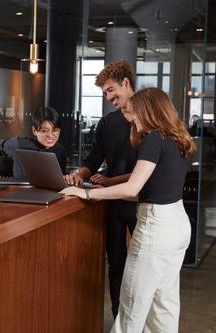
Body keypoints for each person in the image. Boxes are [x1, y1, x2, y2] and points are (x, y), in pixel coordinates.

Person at [62, 87, 195, 332]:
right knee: (163, 306)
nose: (131, 118)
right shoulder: (178, 138)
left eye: (135, 113)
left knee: (131, 311)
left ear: (149, 111)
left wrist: (86, 193)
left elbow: (131, 190)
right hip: (177, 225)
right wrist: (110, 185)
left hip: (156, 231)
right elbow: (154, 191)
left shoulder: (154, 138)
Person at [65, 60, 138, 318]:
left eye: (110, 90)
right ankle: (120, 319)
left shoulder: (149, 119)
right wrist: (79, 176)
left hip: (141, 202)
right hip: (113, 203)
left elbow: (146, 172)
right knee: (115, 264)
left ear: (126, 83)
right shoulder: (107, 123)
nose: (108, 97)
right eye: (105, 93)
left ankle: (138, 321)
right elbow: (94, 158)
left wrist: (109, 181)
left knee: (141, 267)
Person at [0, 106, 66, 178]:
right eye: (44, 131)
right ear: (34, 130)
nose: (50, 135)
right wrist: (0, 172)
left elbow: (61, 178)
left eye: (55, 130)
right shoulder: (19, 144)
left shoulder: (60, 150)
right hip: (21, 188)